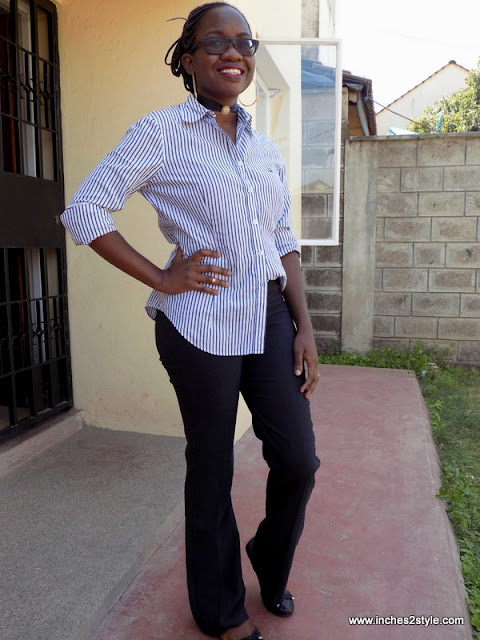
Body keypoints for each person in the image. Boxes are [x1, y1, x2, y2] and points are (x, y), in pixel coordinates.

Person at [61, 3, 321, 639]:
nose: (233, 52)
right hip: (199, 323)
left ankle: (268, 559)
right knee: (212, 467)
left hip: (269, 318)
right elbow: (85, 209)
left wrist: (306, 327)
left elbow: (282, 238)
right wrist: (162, 277)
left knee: (298, 460)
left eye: (244, 42)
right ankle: (220, 611)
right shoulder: (160, 132)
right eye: (215, 42)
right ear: (186, 58)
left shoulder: (262, 145)